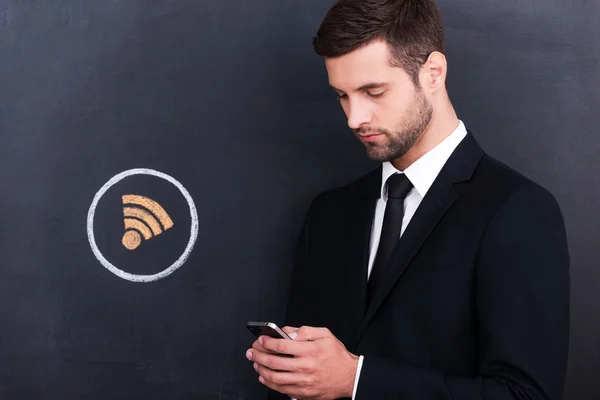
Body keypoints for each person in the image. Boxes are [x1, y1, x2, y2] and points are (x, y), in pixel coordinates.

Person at [245, 0, 570, 399]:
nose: (354, 117)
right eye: (342, 95)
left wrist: (356, 380)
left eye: (373, 91)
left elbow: (525, 395)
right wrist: (289, 374)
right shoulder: (329, 214)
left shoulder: (517, 210)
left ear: (433, 72)